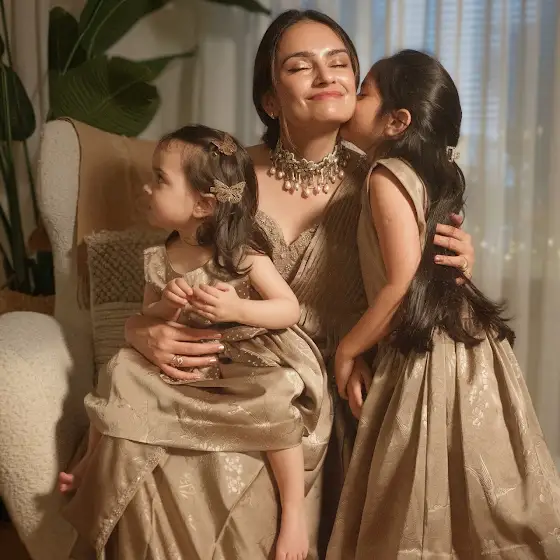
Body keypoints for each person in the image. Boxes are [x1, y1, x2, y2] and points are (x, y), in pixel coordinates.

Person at [64, 11, 476, 559]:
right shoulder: (225, 179)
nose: (326, 76)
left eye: (340, 64)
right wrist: (141, 332)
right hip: (229, 371)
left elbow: (415, 288)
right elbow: (177, 267)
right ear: (270, 100)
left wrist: (454, 260)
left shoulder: (384, 181)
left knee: (235, 465)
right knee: (161, 455)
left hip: (326, 390)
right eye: (300, 66)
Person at [327, 49, 560, 559]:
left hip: (427, 348)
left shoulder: (384, 175)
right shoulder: (414, 174)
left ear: (397, 121)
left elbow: (401, 281)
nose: (350, 99)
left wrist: (347, 349)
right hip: (460, 341)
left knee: (417, 481)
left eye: (363, 92)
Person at [63, 125, 322, 560]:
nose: (147, 188)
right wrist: (166, 304)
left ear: (203, 204)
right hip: (183, 359)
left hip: (242, 357)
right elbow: (148, 315)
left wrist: (238, 309)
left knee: (276, 396)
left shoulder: (242, 256)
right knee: (121, 369)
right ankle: (94, 462)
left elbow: (288, 309)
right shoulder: (160, 256)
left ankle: (294, 515)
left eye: (160, 179)